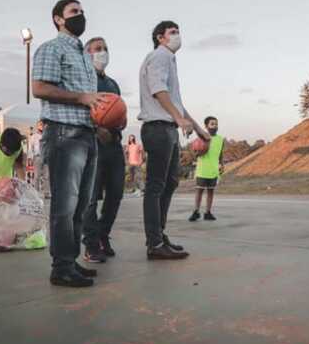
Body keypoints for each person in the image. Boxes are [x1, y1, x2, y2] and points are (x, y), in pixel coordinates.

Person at [31, 0, 106, 287]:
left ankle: (70, 260)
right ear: (58, 19)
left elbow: (91, 101)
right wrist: (81, 98)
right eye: (74, 11)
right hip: (64, 133)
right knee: (65, 204)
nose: (80, 15)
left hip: (87, 133)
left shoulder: (84, 56)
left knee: (81, 205)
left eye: (82, 11)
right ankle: (61, 267)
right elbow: (39, 88)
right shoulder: (51, 48)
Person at [139, 20, 210, 260]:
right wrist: (179, 119)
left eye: (179, 31)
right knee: (156, 186)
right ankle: (155, 243)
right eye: (173, 32)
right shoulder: (160, 56)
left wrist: (198, 128)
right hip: (158, 128)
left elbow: (176, 101)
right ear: (160, 37)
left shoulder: (168, 59)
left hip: (167, 128)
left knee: (170, 183)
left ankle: (159, 235)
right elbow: (158, 90)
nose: (178, 35)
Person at [81, 37, 126, 262]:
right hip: (93, 145)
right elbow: (79, 111)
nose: (103, 52)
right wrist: (97, 128)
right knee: (90, 198)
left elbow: (120, 112)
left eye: (105, 48)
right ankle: (91, 244)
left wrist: (121, 121)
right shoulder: (83, 81)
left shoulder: (112, 84)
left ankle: (102, 234)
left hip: (114, 145)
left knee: (116, 193)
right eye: (98, 48)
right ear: (87, 54)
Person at [189, 116, 225, 222]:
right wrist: (198, 152)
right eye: (212, 124)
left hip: (214, 170)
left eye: (216, 124)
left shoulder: (220, 139)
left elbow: (220, 153)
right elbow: (194, 154)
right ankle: (196, 212)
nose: (215, 126)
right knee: (199, 191)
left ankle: (208, 213)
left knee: (211, 191)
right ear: (206, 126)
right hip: (202, 169)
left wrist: (221, 164)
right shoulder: (201, 138)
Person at [27, 120, 48, 197]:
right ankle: (36, 193)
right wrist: (30, 158)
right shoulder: (34, 136)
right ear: (37, 126)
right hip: (38, 157)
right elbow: (30, 148)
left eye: (43, 125)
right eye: (40, 125)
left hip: (47, 157)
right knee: (36, 176)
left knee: (47, 176)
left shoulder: (48, 135)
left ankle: (47, 192)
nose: (42, 126)